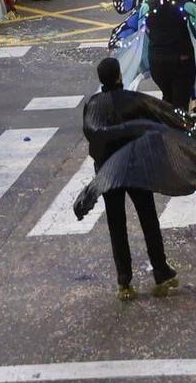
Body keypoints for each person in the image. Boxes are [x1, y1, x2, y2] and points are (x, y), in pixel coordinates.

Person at [78, 57, 182, 300]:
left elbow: (91, 136)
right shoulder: (133, 101)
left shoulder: (93, 105)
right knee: (148, 219)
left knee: (117, 224)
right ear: (119, 76)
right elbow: (158, 119)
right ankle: (161, 271)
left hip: (109, 174)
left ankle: (124, 281)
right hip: (136, 170)